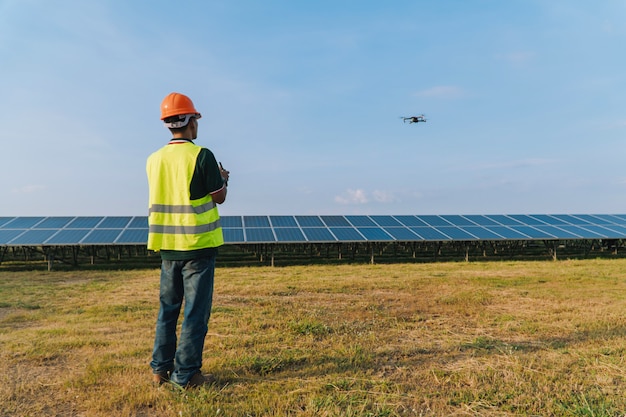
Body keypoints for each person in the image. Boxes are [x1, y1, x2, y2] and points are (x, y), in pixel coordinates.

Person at [147, 92, 229, 388]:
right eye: (195, 118)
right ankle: (187, 375)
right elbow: (218, 196)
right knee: (195, 312)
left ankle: (160, 370)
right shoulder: (201, 155)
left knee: (167, 311)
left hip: (167, 247)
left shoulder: (154, 159)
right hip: (197, 247)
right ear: (191, 121)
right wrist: (223, 178)